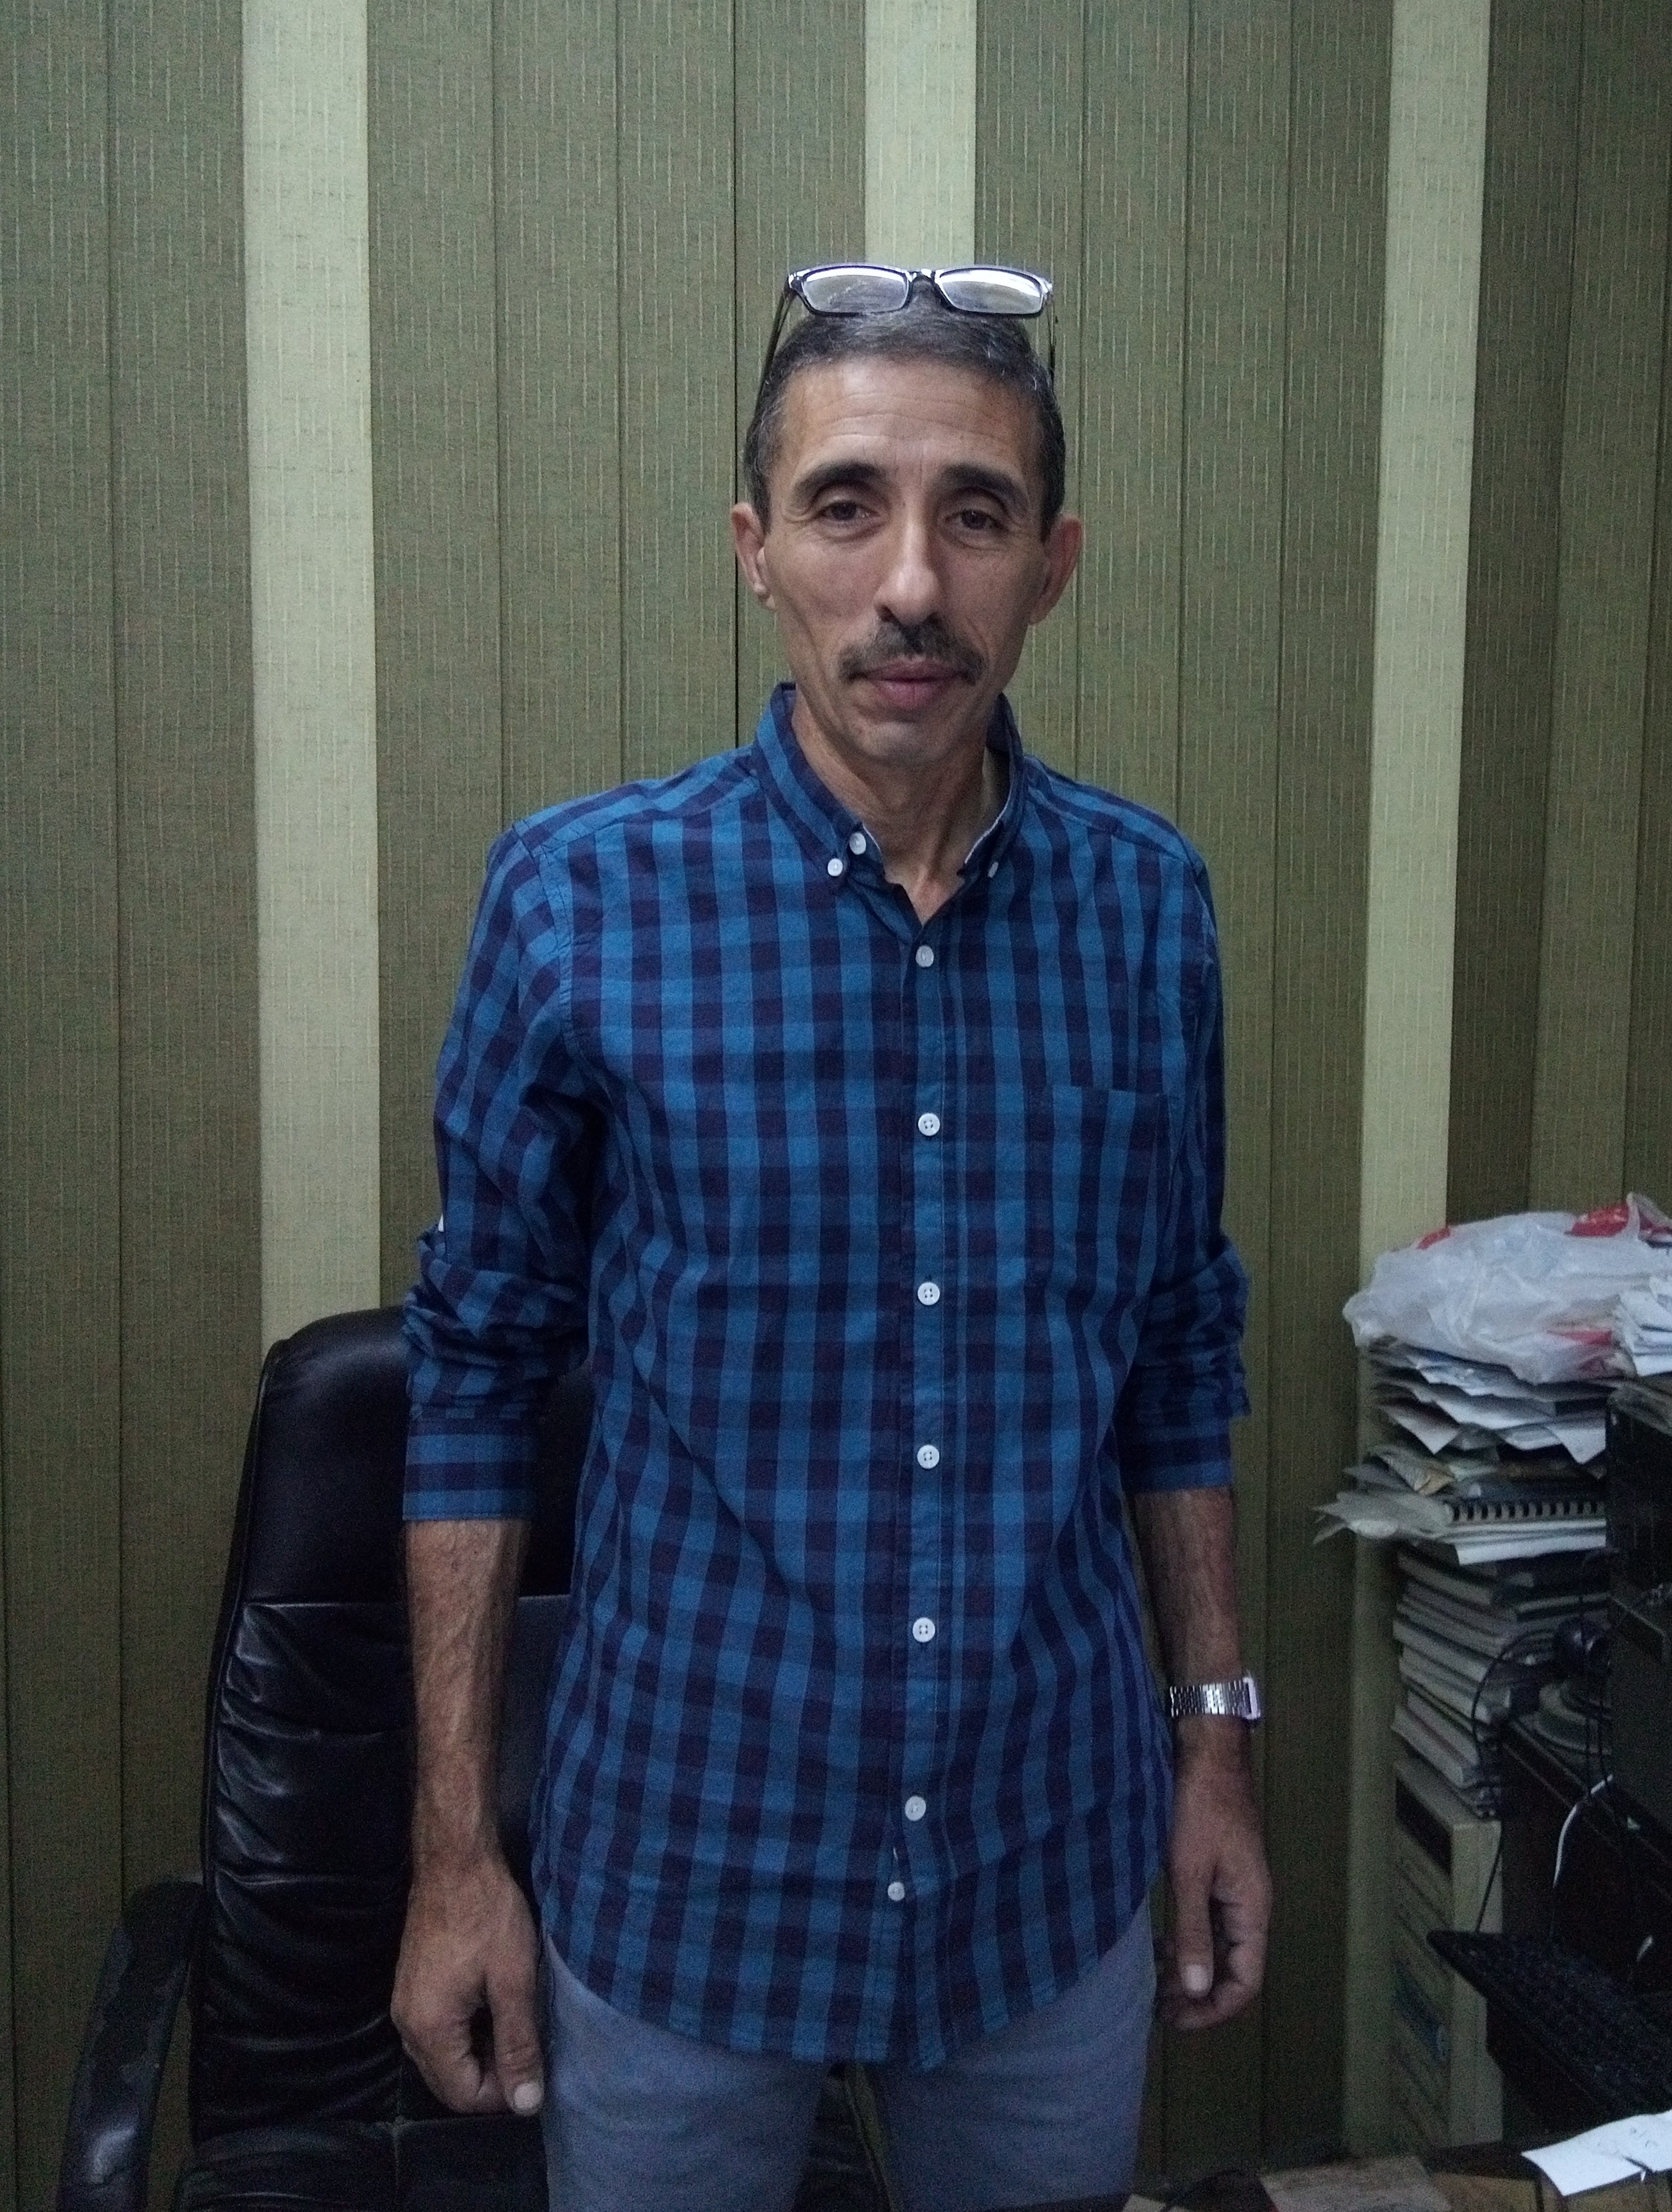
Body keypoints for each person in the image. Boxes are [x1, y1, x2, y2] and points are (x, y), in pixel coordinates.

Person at [393, 263, 1272, 2212]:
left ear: (1051, 568)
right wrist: (455, 1855)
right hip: (689, 1872)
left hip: (1048, 1870)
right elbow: (471, 1385)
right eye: (847, 506)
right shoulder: (581, 903)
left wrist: (1216, 1744)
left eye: (978, 515)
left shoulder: (1149, 913)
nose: (911, 585)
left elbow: (1178, 1350)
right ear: (756, 553)